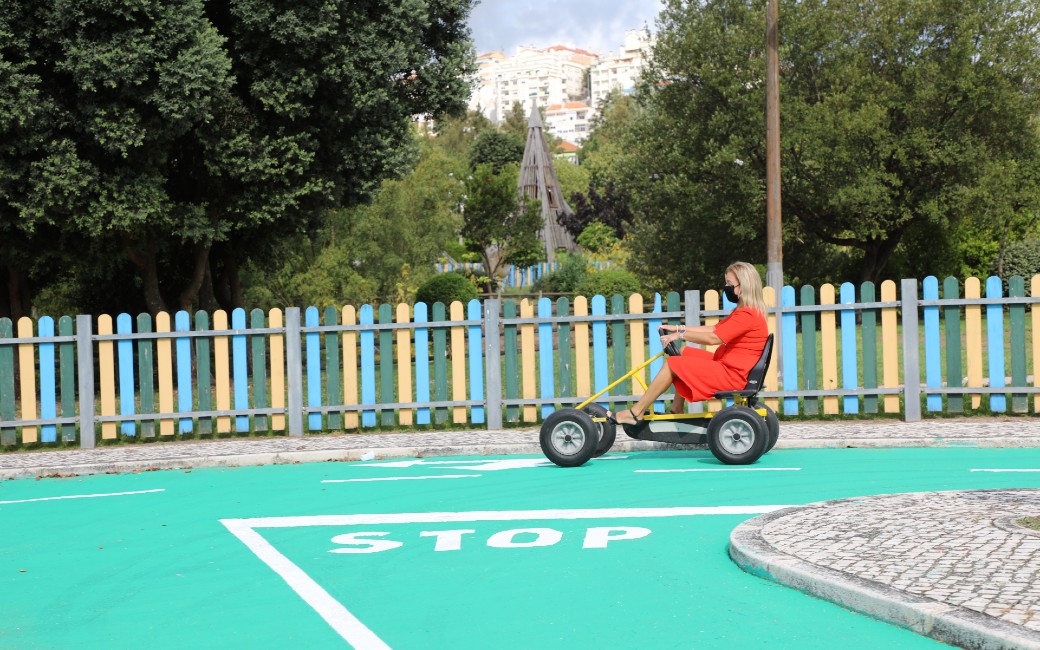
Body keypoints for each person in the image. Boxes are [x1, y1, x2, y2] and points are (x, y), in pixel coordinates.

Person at [610, 261, 770, 425]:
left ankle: (636, 412)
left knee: (673, 364)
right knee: (684, 353)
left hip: (733, 375)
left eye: (729, 283)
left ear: (743, 286)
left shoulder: (747, 315)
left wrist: (680, 335)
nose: (726, 287)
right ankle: (676, 409)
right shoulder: (745, 311)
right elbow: (713, 328)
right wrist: (678, 328)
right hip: (730, 368)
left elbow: (713, 338)